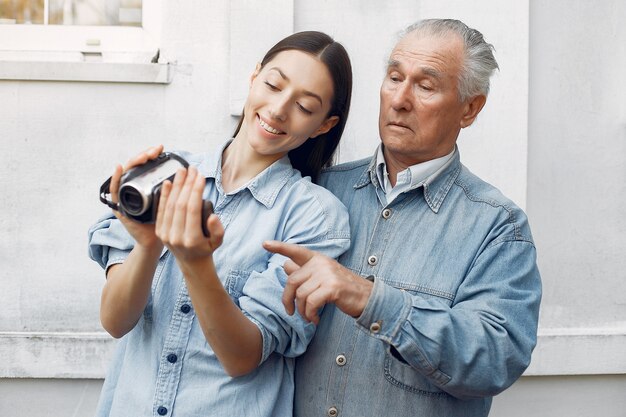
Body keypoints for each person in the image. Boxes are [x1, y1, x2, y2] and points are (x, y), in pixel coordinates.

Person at [264, 19, 542, 417]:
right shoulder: (318, 190)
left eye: (425, 86)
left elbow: (494, 360)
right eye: (394, 78)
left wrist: (369, 299)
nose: (400, 99)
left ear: (470, 108)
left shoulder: (498, 227)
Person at [88, 31, 352, 417]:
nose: (278, 109)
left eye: (304, 106)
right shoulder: (169, 172)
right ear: (253, 76)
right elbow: (115, 321)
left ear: (324, 126)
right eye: (273, 84)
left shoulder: (315, 216)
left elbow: (242, 357)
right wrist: (147, 245)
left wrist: (197, 263)